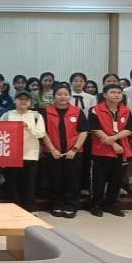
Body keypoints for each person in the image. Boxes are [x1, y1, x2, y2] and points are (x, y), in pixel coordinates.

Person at [40, 83, 88, 218]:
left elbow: (83, 131)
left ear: (70, 96)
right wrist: (52, 149)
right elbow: (43, 132)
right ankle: (56, 204)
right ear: (54, 96)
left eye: (66, 94)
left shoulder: (77, 111)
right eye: (59, 94)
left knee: (72, 179)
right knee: (54, 179)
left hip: (73, 152)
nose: (62, 97)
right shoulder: (46, 112)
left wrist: (74, 149)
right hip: (53, 152)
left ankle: (71, 205)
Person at [88, 84, 132, 217]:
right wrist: (112, 143)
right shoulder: (95, 109)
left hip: (121, 148)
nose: (116, 95)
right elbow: (95, 129)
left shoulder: (126, 110)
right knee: (99, 179)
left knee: (117, 179)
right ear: (104, 95)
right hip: (101, 149)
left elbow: (129, 129)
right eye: (113, 92)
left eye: (119, 92)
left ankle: (111, 204)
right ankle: (96, 204)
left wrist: (113, 139)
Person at [3, 91, 45, 211]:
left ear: (30, 102)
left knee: (29, 183)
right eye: (20, 99)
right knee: (12, 183)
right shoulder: (7, 115)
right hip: (11, 155)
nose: (23, 101)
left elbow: (41, 133)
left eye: (26, 99)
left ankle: (30, 208)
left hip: (30, 154)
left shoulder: (36, 116)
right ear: (15, 101)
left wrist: (29, 128)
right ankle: (13, 208)